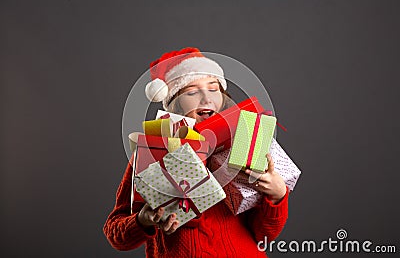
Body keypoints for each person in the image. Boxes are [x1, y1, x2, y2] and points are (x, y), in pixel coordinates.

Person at [103, 47, 289, 257]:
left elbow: (265, 234)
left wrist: (277, 195)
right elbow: (116, 234)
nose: (206, 99)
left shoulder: (245, 142)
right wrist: (142, 220)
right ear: (175, 104)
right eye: (191, 91)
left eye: (213, 88)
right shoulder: (153, 151)